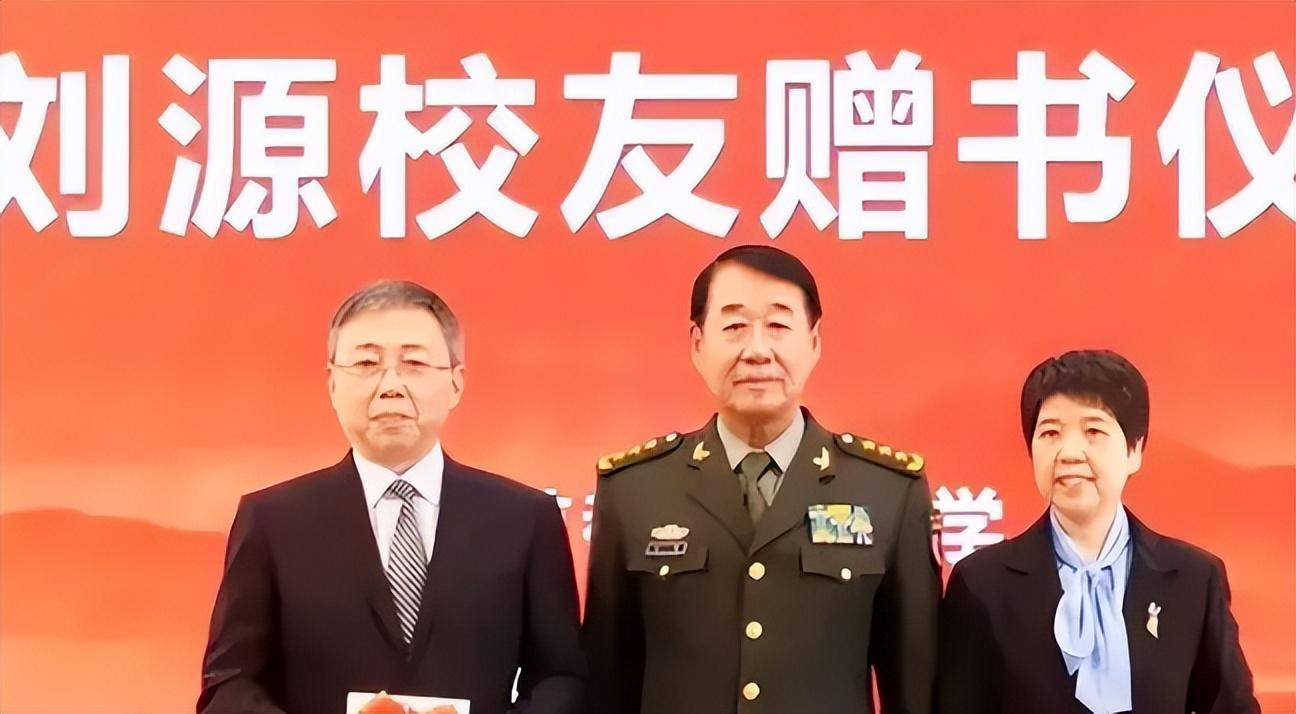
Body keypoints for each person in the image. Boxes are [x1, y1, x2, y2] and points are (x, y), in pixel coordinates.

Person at [199, 279, 585, 714]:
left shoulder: (525, 519)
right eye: (366, 363)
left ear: (456, 383)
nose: (391, 386)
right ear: (332, 383)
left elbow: (561, 678)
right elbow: (229, 684)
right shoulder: (273, 522)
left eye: (414, 363)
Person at [582, 245, 940, 714]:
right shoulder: (635, 488)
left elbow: (915, 686)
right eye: (734, 327)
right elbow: (606, 683)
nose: (756, 351)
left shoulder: (887, 490)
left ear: (814, 342)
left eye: (778, 326)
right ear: (697, 344)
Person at [937, 349, 1259, 714]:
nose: (1069, 453)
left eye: (1093, 431)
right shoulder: (982, 583)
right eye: (1051, 433)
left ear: (1134, 449)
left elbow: (1232, 706)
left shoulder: (1193, 579)